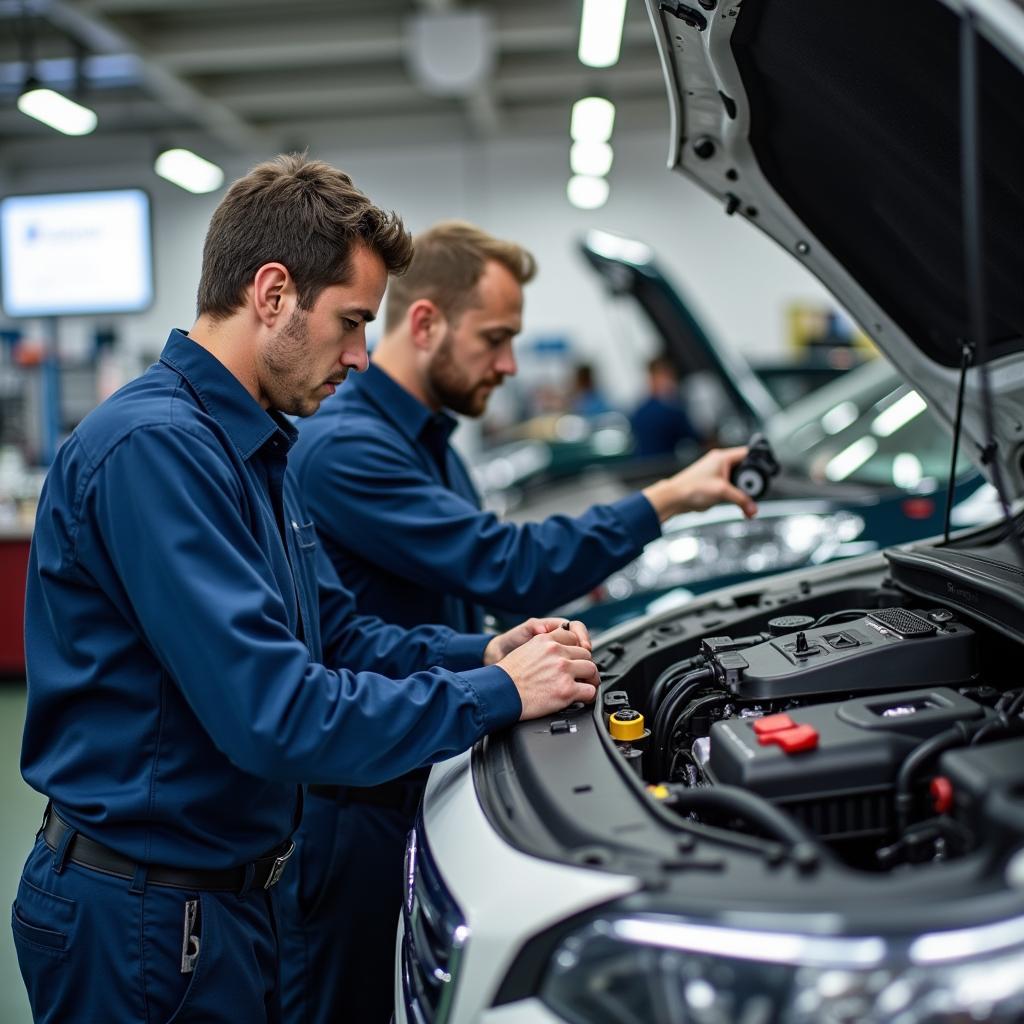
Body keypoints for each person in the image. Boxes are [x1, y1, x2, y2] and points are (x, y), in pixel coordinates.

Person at [13, 158, 598, 1024]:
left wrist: (486, 651)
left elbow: (339, 634)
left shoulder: (254, 444)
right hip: (140, 920)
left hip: (224, 903)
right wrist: (493, 695)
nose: (362, 356)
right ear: (274, 293)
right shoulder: (156, 450)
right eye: (353, 322)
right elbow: (276, 713)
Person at [288, 220, 758, 1023]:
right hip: (360, 805)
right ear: (427, 322)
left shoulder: (429, 438)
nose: (509, 365)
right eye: (496, 339)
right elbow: (507, 565)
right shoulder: (347, 449)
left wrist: (499, 647)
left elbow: (485, 592)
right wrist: (671, 496)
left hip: (420, 764)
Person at [629, 355, 704, 457]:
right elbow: (697, 439)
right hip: (665, 467)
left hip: (644, 468)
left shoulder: (639, 412)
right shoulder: (671, 411)